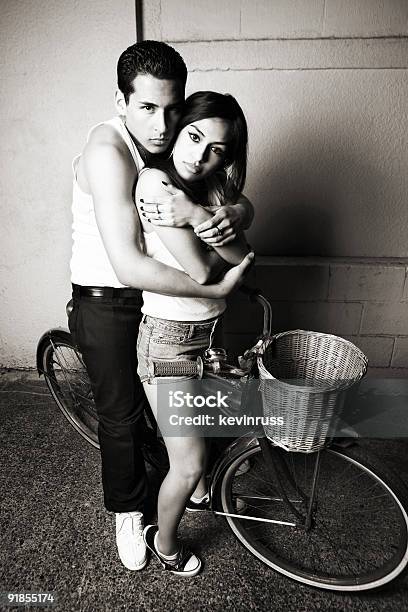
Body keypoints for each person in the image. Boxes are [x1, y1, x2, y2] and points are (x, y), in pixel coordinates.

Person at [67, 40, 254, 572]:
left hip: (157, 301)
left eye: (174, 108)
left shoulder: (171, 146)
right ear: (122, 100)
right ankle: (129, 512)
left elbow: (215, 184)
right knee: (121, 414)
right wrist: (216, 289)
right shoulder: (111, 151)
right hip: (106, 296)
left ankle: (180, 475)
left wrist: (238, 208)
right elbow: (130, 266)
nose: (164, 123)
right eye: (148, 107)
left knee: (168, 419)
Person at [135, 90, 250, 576]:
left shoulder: (206, 193)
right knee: (186, 464)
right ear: (180, 128)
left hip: (205, 335)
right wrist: (210, 226)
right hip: (168, 343)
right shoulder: (157, 181)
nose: (199, 155)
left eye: (216, 150)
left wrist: (203, 214)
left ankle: (201, 489)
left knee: (204, 436)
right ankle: (163, 543)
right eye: (194, 136)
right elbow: (205, 271)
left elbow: (241, 253)